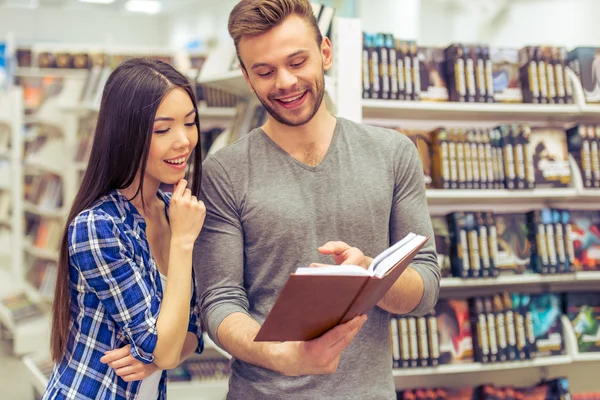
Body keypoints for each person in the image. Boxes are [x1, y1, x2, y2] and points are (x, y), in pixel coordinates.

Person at [193, 0, 440, 398]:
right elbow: (219, 302)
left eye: (297, 61)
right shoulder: (224, 172)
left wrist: (372, 282)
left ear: (325, 52)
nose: (286, 82)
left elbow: (426, 287)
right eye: (265, 71)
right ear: (246, 75)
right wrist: (282, 356)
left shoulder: (392, 153)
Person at [43, 58, 206, 400]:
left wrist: (156, 357)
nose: (184, 141)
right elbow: (163, 347)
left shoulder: (173, 212)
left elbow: (190, 334)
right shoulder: (98, 227)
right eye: (162, 129)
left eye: (190, 123)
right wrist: (183, 243)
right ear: (126, 132)